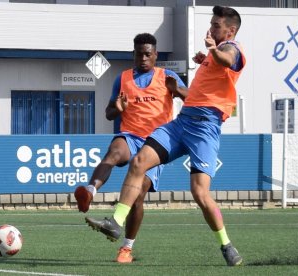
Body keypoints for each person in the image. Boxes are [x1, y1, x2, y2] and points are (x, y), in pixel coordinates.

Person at [85, 6, 245, 266]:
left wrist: (213, 51)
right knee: (138, 163)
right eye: (212, 24)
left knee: (200, 193)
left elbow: (228, 58)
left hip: (205, 128)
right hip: (182, 124)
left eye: (217, 25)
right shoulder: (212, 54)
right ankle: (115, 223)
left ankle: (226, 245)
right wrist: (205, 57)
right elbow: (204, 83)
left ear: (231, 30)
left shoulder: (233, 47)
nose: (212, 29)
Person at [74, 33, 187, 263]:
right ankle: (89, 191)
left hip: (156, 143)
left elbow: (194, 100)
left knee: (138, 196)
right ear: (133, 55)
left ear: (155, 55)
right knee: (114, 152)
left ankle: (126, 248)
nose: (143, 58)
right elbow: (109, 114)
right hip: (130, 135)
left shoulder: (168, 77)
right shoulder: (122, 78)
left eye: (148, 54)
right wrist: (117, 107)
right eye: (138, 54)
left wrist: (178, 90)